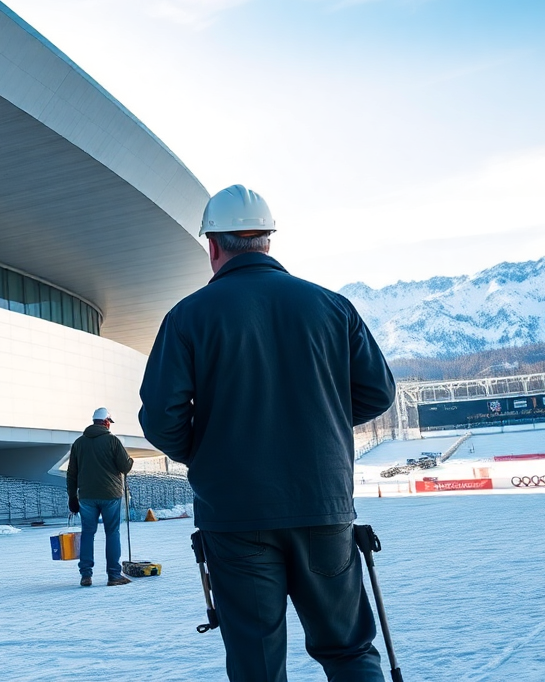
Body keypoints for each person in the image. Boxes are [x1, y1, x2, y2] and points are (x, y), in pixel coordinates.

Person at [139, 185, 396, 682]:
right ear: (268, 242)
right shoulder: (332, 306)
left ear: (213, 246)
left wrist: (211, 455)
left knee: (256, 662)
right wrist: (319, 427)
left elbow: (161, 418)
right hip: (323, 506)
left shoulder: (188, 316)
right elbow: (377, 394)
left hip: (236, 515)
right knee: (347, 649)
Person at [66, 407, 135, 587]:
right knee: (112, 533)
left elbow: (72, 473)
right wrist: (130, 461)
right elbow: (125, 467)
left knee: (88, 533)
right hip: (110, 495)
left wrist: (72, 498)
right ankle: (114, 575)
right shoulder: (113, 441)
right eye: (109, 423)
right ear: (106, 422)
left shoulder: (79, 443)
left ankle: (86, 575)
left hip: (87, 497)